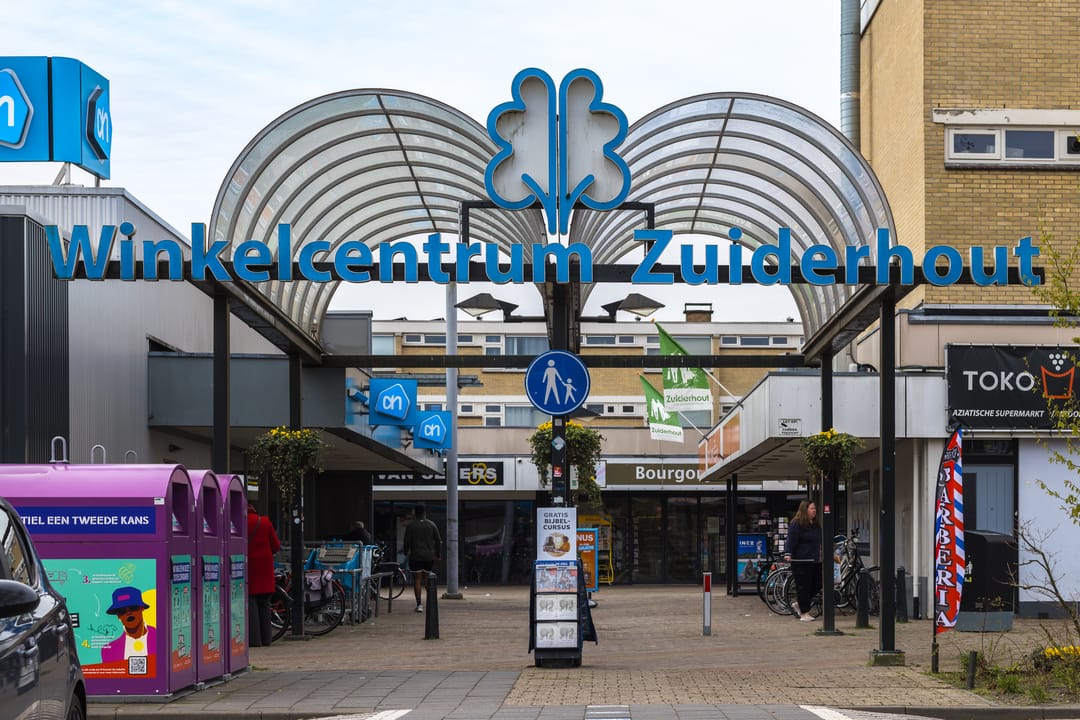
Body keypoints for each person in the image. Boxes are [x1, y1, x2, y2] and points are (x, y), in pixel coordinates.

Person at [247, 503, 281, 646]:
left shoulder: (239, 522)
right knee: (265, 603)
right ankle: (267, 639)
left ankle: (255, 640)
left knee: (251, 602)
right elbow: (276, 545)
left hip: (248, 567)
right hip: (265, 568)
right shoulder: (265, 522)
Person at [784, 499, 822, 622]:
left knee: (818, 583)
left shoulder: (815, 524)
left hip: (814, 559)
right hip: (801, 560)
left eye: (815, 508)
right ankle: (804, 613)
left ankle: (799, 604)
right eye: (812, 508)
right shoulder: (797, 524)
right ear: (805, 510)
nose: (814, 511)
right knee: (803, 587)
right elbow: (791, 539)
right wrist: (788, 553)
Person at [402, 503, 442, 613]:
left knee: (417, 579)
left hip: (415, 556)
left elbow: (407, 541)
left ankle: (419, 605)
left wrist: (406, 552)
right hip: (429, 556)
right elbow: (438, 540)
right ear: (425, 512)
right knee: (427, 579)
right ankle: (431, 604)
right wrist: (438, 554)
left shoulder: (411, 526)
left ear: (415, 513)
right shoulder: (432, 524)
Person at [101, 586, 156, 663]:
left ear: (142, 608)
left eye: (133, 607)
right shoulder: (109, 651)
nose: (128, 613)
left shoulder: (161, 639)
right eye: (122, 610)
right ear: (118, 615)